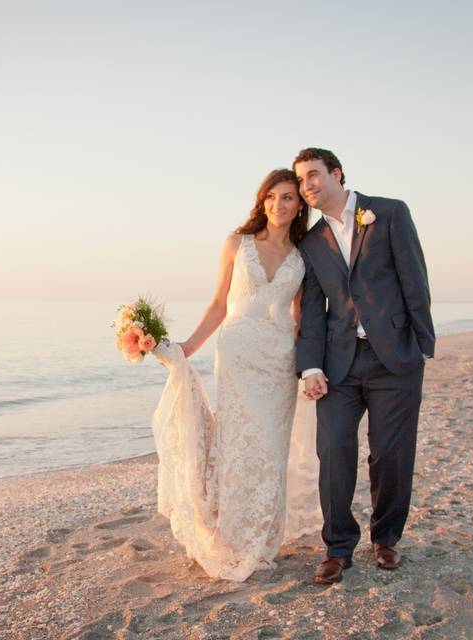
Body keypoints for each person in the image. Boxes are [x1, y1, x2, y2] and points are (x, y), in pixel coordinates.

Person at [151, 168, 320, 581]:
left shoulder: (303, 256)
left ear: (299, 206)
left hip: (279, 359)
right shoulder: (236, 244)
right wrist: (187, 348)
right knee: (238, 446)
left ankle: (263, 539)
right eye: (271, 196)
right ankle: (231, 536)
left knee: (271, 449)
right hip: (238, 356)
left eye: (287, 198)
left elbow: (302, 317)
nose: (278, 205)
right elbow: (218, 305)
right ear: (262, 200)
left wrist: (311, 363)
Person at [293, 147, 435, 583]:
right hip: (339, 365)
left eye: (313, 175)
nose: (307, 186)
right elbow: (313, 310)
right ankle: (337, 547)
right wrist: (310, 366)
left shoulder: (388, 213)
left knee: (391, 455)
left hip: (394, 358)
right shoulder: (311, 242)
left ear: (337, 174)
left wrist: (421, 346)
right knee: (333, 451)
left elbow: (415, 277)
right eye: (301, 180)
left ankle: (386, 539)